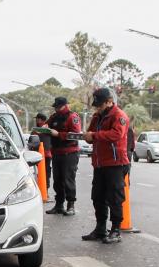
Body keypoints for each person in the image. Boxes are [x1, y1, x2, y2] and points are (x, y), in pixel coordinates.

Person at [80, 87, 130, 244]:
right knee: (98, 197)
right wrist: (88, 136)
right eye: (96, 105)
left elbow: (117, 135)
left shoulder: (119, 116)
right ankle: (100, 229)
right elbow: (91, 134)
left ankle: (116, 230)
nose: (98, 107)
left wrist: (94, 135)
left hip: (116, 163)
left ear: (110, 102)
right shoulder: (97, 116)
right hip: (100, 163)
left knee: (115, 198)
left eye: (100, 104)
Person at [47, 96, 83, 216]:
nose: (57, 109)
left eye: (59, 107)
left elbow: (77, 135)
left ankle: (71, 205)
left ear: (65, 105)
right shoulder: (53, 117)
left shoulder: (73, 117)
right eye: (56, 107)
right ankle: (59, 205)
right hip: (56, 152)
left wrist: (59, 134)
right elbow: (47, 125)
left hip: (70, 153)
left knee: (68, 179)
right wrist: (44, 128)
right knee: (57, 181)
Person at [30, 112, 54, 195]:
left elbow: (31, 140)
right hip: (44, 155)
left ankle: (44, 191)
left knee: (42, 173)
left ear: (40, 120)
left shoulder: (41, 129)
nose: (36, 120)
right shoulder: (48, 129)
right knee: (45, 173)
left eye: (37, 119)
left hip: (41, 156)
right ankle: (43, 191)